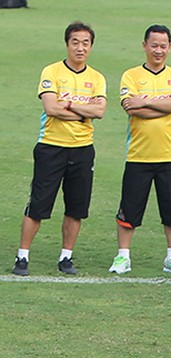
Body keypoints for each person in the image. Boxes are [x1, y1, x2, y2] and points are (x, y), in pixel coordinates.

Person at [12, 22, 107, 276]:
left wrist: (71, 106)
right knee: (38, 205)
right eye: (75, 42)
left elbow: (99, 111)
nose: (80, 48)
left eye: (85, 43)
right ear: (67, 44)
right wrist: (84, 113)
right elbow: (51, 108)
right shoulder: (52, 71)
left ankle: (66, 257)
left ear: (91, 46)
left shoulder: (96, 78)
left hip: (82, 150)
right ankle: (22, 256)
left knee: (76, 207)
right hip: (51, 147)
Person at [108, 24, 171, 276]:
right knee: (129, 210)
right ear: (144, 45)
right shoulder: (131, 75)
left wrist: (146, 101)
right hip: (138, 155)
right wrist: (165, 104)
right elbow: (131, 108)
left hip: (170, 155)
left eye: (163, 46)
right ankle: (123, 257)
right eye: (154, 45)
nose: (158, 50)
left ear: (170, 47)